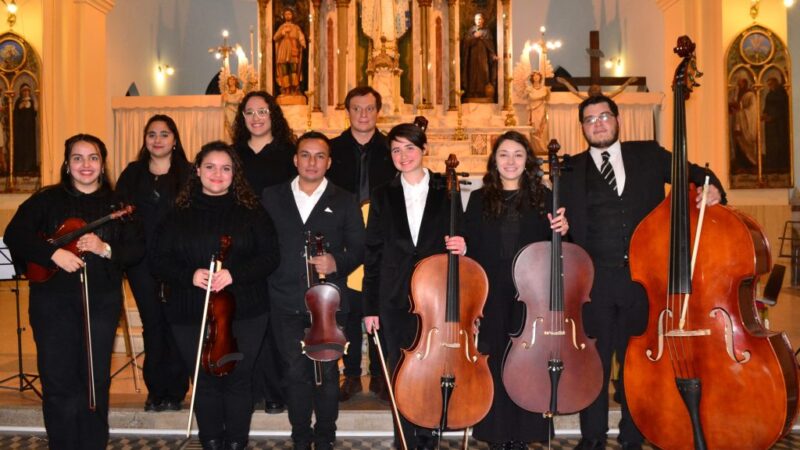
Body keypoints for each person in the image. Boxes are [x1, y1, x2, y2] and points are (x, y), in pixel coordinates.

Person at [559, 95, 726, 450]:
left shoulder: (648, 154)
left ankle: (634, 437)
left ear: (617, 120)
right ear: (582, 129)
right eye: (590, 120)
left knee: (638, 365)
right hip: (595, 284)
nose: (598, 123)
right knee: (596, 366)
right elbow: (556, 218)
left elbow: (698, 173)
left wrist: (713, 191)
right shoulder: (569, 168)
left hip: (644, 283)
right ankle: (592, 439)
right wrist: (559, 224)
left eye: (604, 116)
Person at [5, 134, 144, 449]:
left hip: (101, 303)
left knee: (94, 383)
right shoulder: (46, 199)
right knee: (58, 381)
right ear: (67, 164)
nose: (86, 165)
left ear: (102, 163)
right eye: (78, 158)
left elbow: (136, 249)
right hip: (52, 305)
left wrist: (104, 247)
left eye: (93, 157)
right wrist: (52, 254)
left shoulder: (118, 204)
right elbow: (16, 234)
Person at [151, 141, 280, 450]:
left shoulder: (252, 211)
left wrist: (235, 274)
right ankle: (210, 441)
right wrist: (190, 275)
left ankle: (236, 443)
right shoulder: (176, 213)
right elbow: (158, 260)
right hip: (189, 310)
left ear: (235, 173)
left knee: (238, 379)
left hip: (246, 311)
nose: (217, 174)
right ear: (197, 171)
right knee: (205, 380)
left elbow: (270, 256)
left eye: (226, 168)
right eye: (210, 167)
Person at [363, 122, 467, 450]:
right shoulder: (382, 194)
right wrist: (370, 308)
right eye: (396, 149)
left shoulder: (446, 186)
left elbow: (462, 235)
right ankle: (404, 439)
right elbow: (373, 253)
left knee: (434, 369)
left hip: (436, 297)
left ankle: (429, 436)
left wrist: (464, 244)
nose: (403, 155)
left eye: (409, 147)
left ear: (424, 150)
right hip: (394, 299)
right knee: (401, 371)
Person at [261, 131, 365, 450]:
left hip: (328, 304)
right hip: (285, 299)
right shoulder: (271, 196)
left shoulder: (345, 200)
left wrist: (338, 261)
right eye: (305, 155)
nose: (312, 162)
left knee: (328, 373)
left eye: (320, 156)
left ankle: (325, 437)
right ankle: (300, 436)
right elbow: (262, 245)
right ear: (295, 159)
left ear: (329, 162)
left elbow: (360, 248)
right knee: (295, 373)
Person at [465, 131, 568, 450]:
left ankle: (523, 434)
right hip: (491, 292)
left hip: (531, 293)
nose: (510, 161)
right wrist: (460, 246)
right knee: (494, 359)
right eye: (504, 155)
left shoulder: (544, 197)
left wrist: (565, 231)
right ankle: (496, 434)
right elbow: (468, 245)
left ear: (528, 161)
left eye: (518, 155)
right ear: (494, 161)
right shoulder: (479, 199)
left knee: (528, 363)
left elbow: (560, 251)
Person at [116, 114, 192, 412]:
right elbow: (118, 211)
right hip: (141, 262)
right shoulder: (132, 173)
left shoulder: (188, 173)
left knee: (176, 322)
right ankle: (156, 389)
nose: (157, 139)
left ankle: (176, 389)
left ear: (175, 140)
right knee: (152, 324)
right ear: (145, 140)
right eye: (152, 134)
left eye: (164, 134)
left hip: (179, 263)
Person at [328, 86, 397, 402]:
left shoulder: (391, 148)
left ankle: (383, 375)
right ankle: (352, 374)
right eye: (357, 108)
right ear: (348, 111)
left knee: (380, 304)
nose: (363, 114)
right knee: (350, 308)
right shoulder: (333, 149)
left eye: (369, 108)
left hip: (383, 234)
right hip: (344, 236)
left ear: (378, 111)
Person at [231, 89, 295, 414]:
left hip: (277, 246)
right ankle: (250, 388)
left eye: (262, 112)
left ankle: (276, 391)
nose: (256, 118)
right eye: (250, 113)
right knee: (244, 320)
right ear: (242, 118)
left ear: (273, 115)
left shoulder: (289, 154)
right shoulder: (232, 155)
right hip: (240, 249)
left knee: (273, 322)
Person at [461, 12, 497, 101]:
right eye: (477, 19)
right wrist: (474, 37)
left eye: (480, 19)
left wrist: (493, 56)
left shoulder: (487, 32)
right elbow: (465, 44)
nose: (478, 21)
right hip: (472, 58)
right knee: (472, 74)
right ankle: (471, 93)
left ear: (483, 20)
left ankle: (483, 94)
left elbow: (490, 46)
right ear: (474, 20)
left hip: (483, 58)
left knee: (484, 73)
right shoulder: (471, 31)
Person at [273, 7, 306, 96]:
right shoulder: (281, 27)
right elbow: (275, 37)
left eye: (289, 14)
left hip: (293, 48)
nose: (288, 16)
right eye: (286, 14)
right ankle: (286, 88)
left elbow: (301, 36)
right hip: (283, 49)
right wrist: (282, 33)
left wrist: (302, 42)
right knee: (284, 69)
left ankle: (295, 87)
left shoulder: (296, 27)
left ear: (292, 15)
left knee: (294, 69)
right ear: (284, 16)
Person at [728, 76, 758, 172]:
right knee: (738, 143)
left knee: (746, 144)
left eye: (740, 83)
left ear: (745, 83)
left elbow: (753, 110)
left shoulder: (750, 95)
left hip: (746, 124)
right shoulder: (738, 94)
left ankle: (751, 165)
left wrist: (740, 112)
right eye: (738, 84)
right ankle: (741, 166)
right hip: (738, 125)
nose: (739, 85)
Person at [762, 76, 790, 173]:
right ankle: (772, 164)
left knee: (779, 143)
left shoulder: (782, 94)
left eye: (771, 84)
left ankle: (780, 165)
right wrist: (764, 115)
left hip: (779, 124)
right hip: (770, 125)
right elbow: (766, 107)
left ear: (775, 83)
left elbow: (783, 108)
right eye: (768, 85)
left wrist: (773, 117)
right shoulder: (770, 94)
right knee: (770, 144)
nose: (769, 87)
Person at [13, 83, 38, 175]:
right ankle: (20, 167)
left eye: (27, 90)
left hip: (30, 130)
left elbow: (34, 114)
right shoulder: (18, 102)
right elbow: (15, 114)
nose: (26, 92)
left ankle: (30, 166)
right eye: (24, 91)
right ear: (21, 92)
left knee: (29, 148)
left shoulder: (32, 101)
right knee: (21, 148)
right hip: (20, 131)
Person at [525, 71, 549, 153]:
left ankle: (542, 148)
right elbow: (530, 97)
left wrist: (537, 96)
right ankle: (534, 148)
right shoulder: (529, 89)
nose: (536, 77)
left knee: (541, 128)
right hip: (533, 110)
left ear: (540, 77)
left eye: (537, 76)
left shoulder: (544, 89)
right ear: (532, 78)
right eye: (534, 76)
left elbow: (545, 96)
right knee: (534, 128)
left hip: (541, 109)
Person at [221, 75, 244, 140]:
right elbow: (223, 104)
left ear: (235, 81)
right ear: (228, 82)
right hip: (228, 112)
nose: (231, 81)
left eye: (233, 79)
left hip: (236, 112)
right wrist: (226, 101)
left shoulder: (240, 92)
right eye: (230, 80)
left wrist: (229, 100)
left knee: (236, 129)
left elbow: (242, 102)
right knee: (228, 131)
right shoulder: (225, 93)